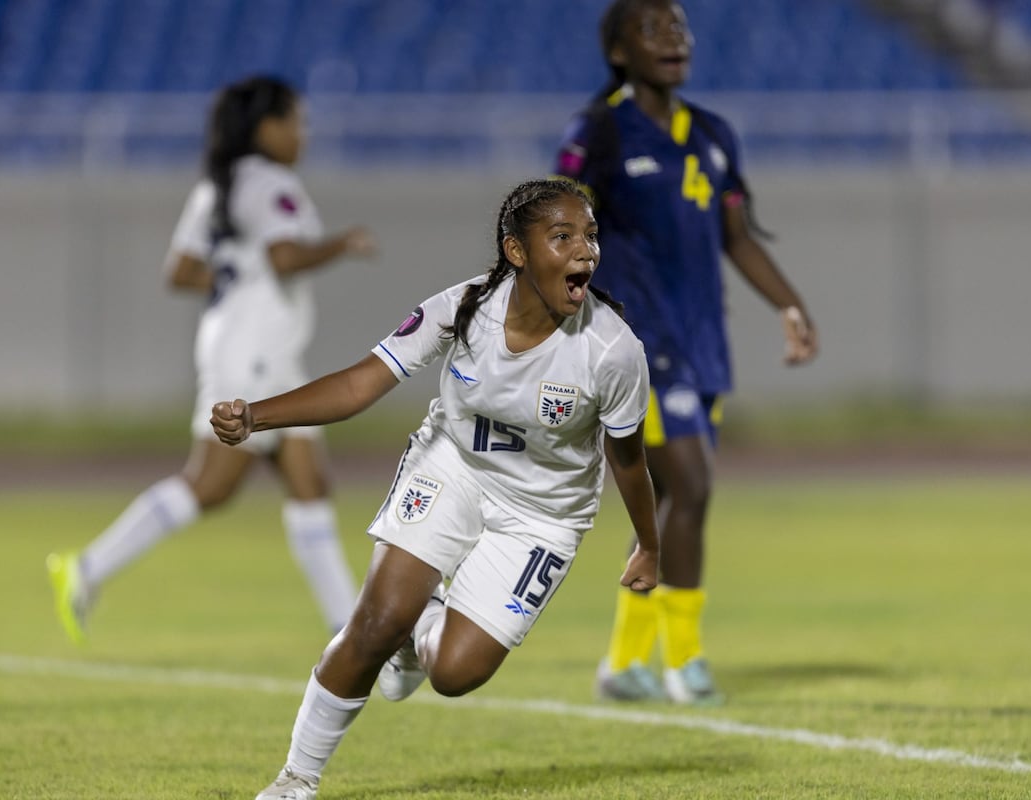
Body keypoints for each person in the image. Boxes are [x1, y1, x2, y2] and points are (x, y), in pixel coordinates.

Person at [209, 178, 660, 800]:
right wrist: (257, 416)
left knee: (454, 672)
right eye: (563, 236)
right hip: (453, 467)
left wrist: (648, 544)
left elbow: (628, 459)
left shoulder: (613, 351)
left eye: (590, 235)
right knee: (374, 622)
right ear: (517, 251)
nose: (585, 250)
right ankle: (296, 778)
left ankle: (417, 630)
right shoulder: (464, 308)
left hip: (543, 515)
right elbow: (359, 384)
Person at [46, 75, 377, 643]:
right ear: (266, 128)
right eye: (295, 122)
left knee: (310, 484)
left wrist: (234, 280)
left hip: (246, 345)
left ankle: (348, 631)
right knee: (211, 483)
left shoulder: (218, 186)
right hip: (256, 354)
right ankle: (87, 568)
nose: (303, 134)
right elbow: (285, 257)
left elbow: (180, 272)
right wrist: (341, 244)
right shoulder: (271, 183)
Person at [553, 0, 819, 705]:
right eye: (653, 29)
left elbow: (737, 236)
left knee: (671, 500)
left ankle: (623, 662)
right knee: (693, 487)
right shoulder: (599, 132)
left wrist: (789, 304)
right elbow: (558, 229)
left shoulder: (711, 133)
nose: (674, 39)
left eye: (679, 27)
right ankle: (686, 660)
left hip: (703, 341)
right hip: (637, 343)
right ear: (619, 51)